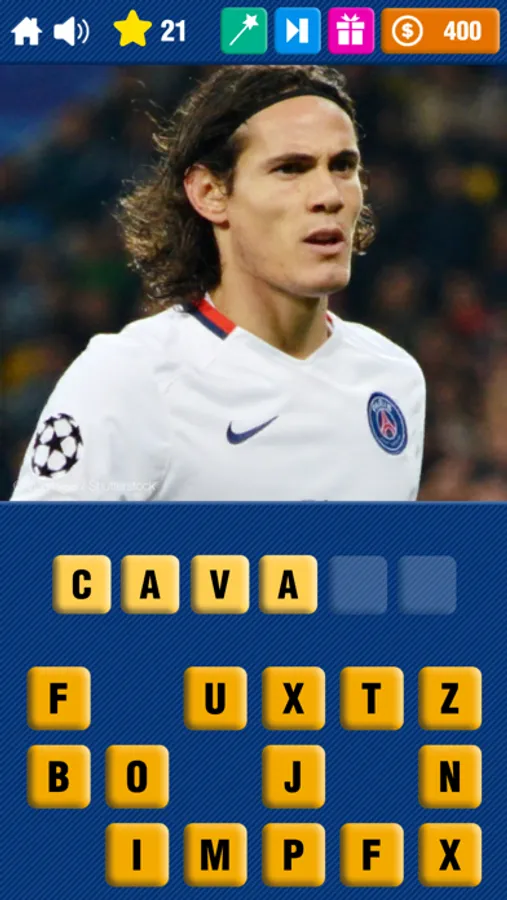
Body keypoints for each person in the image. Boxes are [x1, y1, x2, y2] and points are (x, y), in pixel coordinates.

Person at [11, 65, 426, 502]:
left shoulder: (394, 378)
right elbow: (40, 548)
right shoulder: (128, 380)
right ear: (210, 193)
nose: (330, 195)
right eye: (290, 168)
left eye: (343, 166)